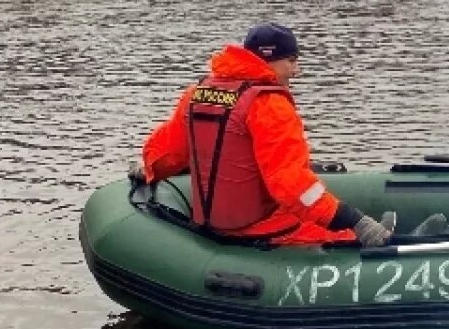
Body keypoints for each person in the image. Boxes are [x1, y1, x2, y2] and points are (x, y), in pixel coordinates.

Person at [140, 23, 394, 246]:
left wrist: (148, 169)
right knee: (347, 239)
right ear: (268, 60)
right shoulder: (268, 104)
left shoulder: (196, 94)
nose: (297, 71)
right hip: (263, 229)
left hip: (212, 225)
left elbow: (169, 153)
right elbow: (294, 186)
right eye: (292, 61)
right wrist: (356, 221)